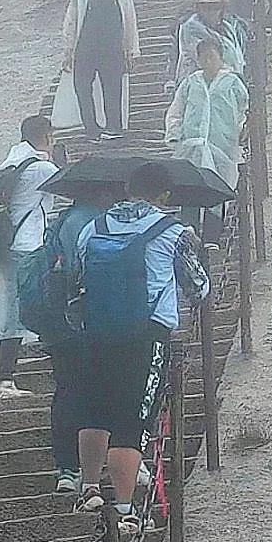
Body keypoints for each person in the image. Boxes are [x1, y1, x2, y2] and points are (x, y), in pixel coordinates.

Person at [53, 197, 205, 522]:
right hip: (146, 336)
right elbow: (198, 287)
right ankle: (125, 510)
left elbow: (75, 280)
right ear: (165, 195)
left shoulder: (93, 228)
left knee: (93, 415)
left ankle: (90, 490)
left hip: (97, 332)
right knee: (131, 423)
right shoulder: (171, 231)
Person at [0, 112, 59, 408]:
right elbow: (67, 186)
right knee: (21, 308)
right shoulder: (41, 168)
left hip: (6, 245)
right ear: (47, 136)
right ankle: (4, 380)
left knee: (17, 306)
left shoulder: (11, 161)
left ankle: (9, 376)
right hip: (26, 246)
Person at [67, 0, 137, 142]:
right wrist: (69, 51)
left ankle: (114, 126)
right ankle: (91, 128)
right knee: (82, 88)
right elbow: (72, 23)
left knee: (113, 88)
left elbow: (130, 22)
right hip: (85, 49)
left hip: (112, 50)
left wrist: (130, 51)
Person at [165, 32, 244, 186]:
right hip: (193, 146)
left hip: (224, 145)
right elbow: (176, 111)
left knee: (223, 186)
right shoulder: (190, 83)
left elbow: (243, 110)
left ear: (221, 58)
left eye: (212, 57)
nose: (208, 61)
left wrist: (240, 131)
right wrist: (175, 134)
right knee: (195, 186)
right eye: (203, 57)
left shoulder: (233, 83)